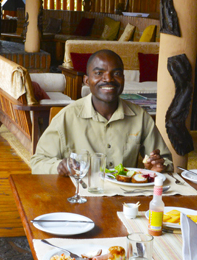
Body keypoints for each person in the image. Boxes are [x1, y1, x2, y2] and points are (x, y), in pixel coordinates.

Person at [29, 50, 172, 176]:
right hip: (81, 193)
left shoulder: (140, 117)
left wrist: (158, 166)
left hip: (125, 195)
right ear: (86, 80)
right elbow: (38, 162)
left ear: (123, 79)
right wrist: (59, 166)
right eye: (99, 73)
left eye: (116, 73)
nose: (108, 79)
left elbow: (166, 161)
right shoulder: (67, 117)